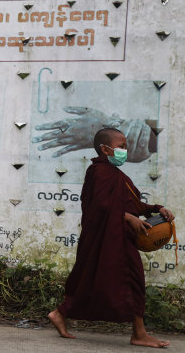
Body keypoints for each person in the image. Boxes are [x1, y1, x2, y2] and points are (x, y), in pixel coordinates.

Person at [48, 128, 174, 348]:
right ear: (105, 149)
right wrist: (127, 218)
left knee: (120, 281)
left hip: (120, 236)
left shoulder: (118, 176)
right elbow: (99, 206)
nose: (125, 150)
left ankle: (137, 332)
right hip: (105, 237)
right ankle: (136, 333)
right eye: (122, 146)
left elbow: (134, 204)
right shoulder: (97, 172)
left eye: (125, 146)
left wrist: (157, 209)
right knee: (99, 280)